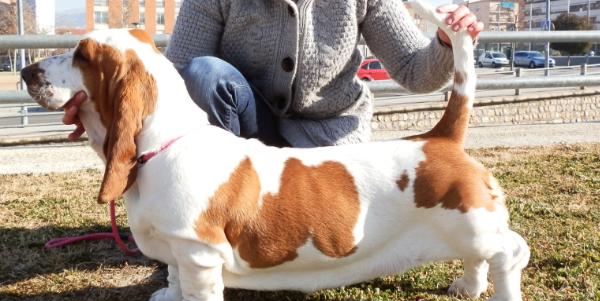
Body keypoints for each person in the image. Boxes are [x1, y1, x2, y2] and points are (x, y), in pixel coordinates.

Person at [63, 1, 482, 148]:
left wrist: (447, 43)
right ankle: (216, 207)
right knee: (205, 74)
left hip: (329, 140)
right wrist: (106, 106)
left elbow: (415, 73)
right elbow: (174, 78)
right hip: (243, 131)